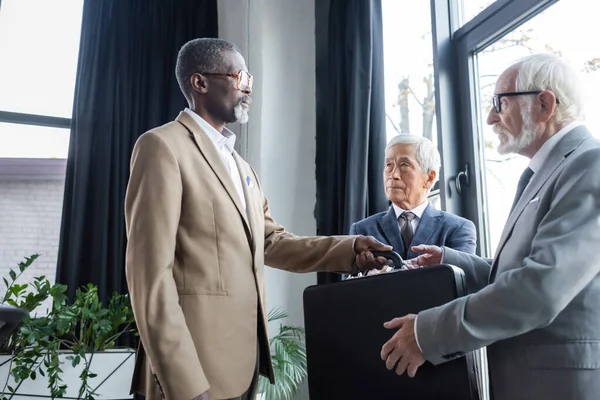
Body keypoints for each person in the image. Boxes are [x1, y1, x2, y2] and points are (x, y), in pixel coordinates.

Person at [124, 38, 391, 400]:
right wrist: (184, 384)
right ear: (199, 83)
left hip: (242, 368)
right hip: (192, 374)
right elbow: (149, 277)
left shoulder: (241, 166)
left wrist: (351, 247)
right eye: (240, 78)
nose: (248, 89)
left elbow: (271, 241)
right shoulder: (161, 147)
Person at [379, 53, 600, 400]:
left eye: (500, 102)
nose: (490, 117)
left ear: (544, 103)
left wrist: (427, 334)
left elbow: (539, 289)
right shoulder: (549, 172)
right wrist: (451, 261)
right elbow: (519, 272)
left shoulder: (590, 164)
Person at [350, 134, 476, 263]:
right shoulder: (362, 230)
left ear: (429, 178)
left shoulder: (458, 228)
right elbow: (350, 282)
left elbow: (462, 279)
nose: (393, 175)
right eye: (389, 165)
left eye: (404, 165)